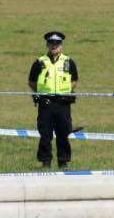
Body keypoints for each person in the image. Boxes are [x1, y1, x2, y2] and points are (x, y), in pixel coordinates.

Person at [27, 30, 78, 169]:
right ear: (47, 45)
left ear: (61, 45)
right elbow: (31, 82)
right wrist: (41, 92)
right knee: (45, 134)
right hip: (46, 103)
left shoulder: (68, 62)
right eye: (51, 43)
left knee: (63, 133)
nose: (54, 46)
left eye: (57, 43)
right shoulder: (39, 62)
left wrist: (66, 91)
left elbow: (74, 80)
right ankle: (45, 162)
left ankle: (63, 162)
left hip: (62, 103)